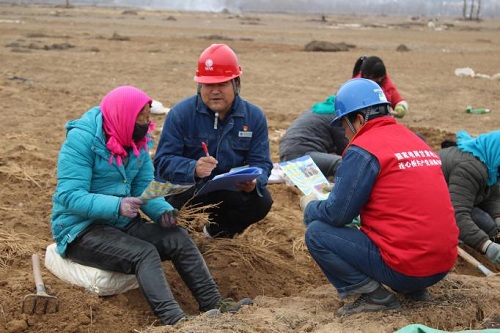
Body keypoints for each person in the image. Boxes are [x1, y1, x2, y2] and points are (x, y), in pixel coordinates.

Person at [51, 86, 248, 326]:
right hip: (81, 229)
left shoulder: (136, 141)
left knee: (178, 237)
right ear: (123, 117)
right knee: (143, 253)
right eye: (140, 118)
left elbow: (144, 186)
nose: (145, 123)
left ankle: (214, 303)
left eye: (147, 117)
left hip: (121, 221)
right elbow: (70, 195)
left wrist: (162, 211)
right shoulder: (81, 142)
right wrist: (117, 205)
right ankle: (175, 320)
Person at [300, 78, 459, 316]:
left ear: (359, 120)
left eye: (344, 125)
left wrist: (310, 206)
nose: (344, 133)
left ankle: (375, 296)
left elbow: (337, 214)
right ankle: (415, 290)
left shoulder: (364, 148)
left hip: (407, 267)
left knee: (317, 233)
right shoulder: (416, 141)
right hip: (441, 265)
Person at [154, 44, 273, 239]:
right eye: (209, 85)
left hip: (227, 190)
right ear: (200, 86)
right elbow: (162, 161)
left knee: (261, 201)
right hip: (185, 190)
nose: (215, 91)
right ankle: (180, 232)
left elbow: (262, 163)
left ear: (236, 84)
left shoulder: (254, 117)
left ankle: (216, 232)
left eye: (222, 84)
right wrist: (193, 167)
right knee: (172, 226)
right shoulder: (181, 114)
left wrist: (254, 182)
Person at [437, 130, 500, 264]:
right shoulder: (469, 168)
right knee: (485, 223)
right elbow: (457, 214)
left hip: (452, 199)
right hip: (425, 206)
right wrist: (486, 245)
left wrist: (498, 218)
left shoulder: (489, 161)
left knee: (493, 227)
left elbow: (491, 197)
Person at [278, 95, 349, 180]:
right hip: (300, 159)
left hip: (288, 156)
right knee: (345, 164)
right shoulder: (337, 117)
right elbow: (345, 149)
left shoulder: (319, 109)